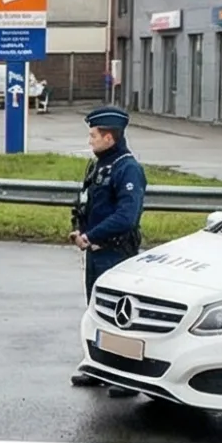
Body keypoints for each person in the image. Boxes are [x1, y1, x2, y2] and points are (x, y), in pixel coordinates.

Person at [69, 104, 147, 388]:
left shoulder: (128, 168)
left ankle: (125, 376)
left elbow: (126, 216)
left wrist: (91, 236)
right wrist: (80, 229)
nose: (89, 140)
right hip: (95, 253)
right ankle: (98, 366)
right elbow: (87, 202)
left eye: (93, 135)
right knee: (96, 311)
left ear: (109, 138)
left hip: (116, 253)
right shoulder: (99, 165)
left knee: (119, 316)